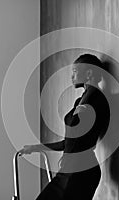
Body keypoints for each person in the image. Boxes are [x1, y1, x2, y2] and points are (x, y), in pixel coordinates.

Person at [19, 54, 110, 200]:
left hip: (82, 171)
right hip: (69, 170)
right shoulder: (80, 100)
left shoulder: (98, 99)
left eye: (74, 71)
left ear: (89, 73)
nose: (71, 76)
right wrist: (35, 147)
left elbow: (79, 137)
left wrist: (90, 90)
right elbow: (68, 142)